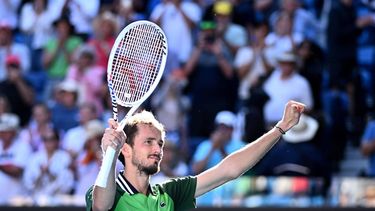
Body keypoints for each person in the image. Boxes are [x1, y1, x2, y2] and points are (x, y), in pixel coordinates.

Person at [85, 100, 305, 210]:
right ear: (126, 148)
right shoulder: (102, 192)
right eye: (148, 142)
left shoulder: (171, 193)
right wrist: (110, 156)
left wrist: (281, 128)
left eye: (160, 143)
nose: (158, 150)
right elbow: (101, 206)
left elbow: (230, 170)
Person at [191, 110, 246, 206]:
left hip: (231, 189)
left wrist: (221, 148)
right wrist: (212, 148)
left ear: (232, 130)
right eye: (220, 127)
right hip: (207, 189)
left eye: (226, 128)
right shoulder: (205, 146)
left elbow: (236, 170)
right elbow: (196, 170)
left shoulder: (241, 146)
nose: (222, 131)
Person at [0, 113, 32, 204]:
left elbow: (16, 171)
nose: (2, 133)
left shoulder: (23, 147)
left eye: (6, 131)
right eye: (1, 130)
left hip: (17, 199)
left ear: (14, 131)